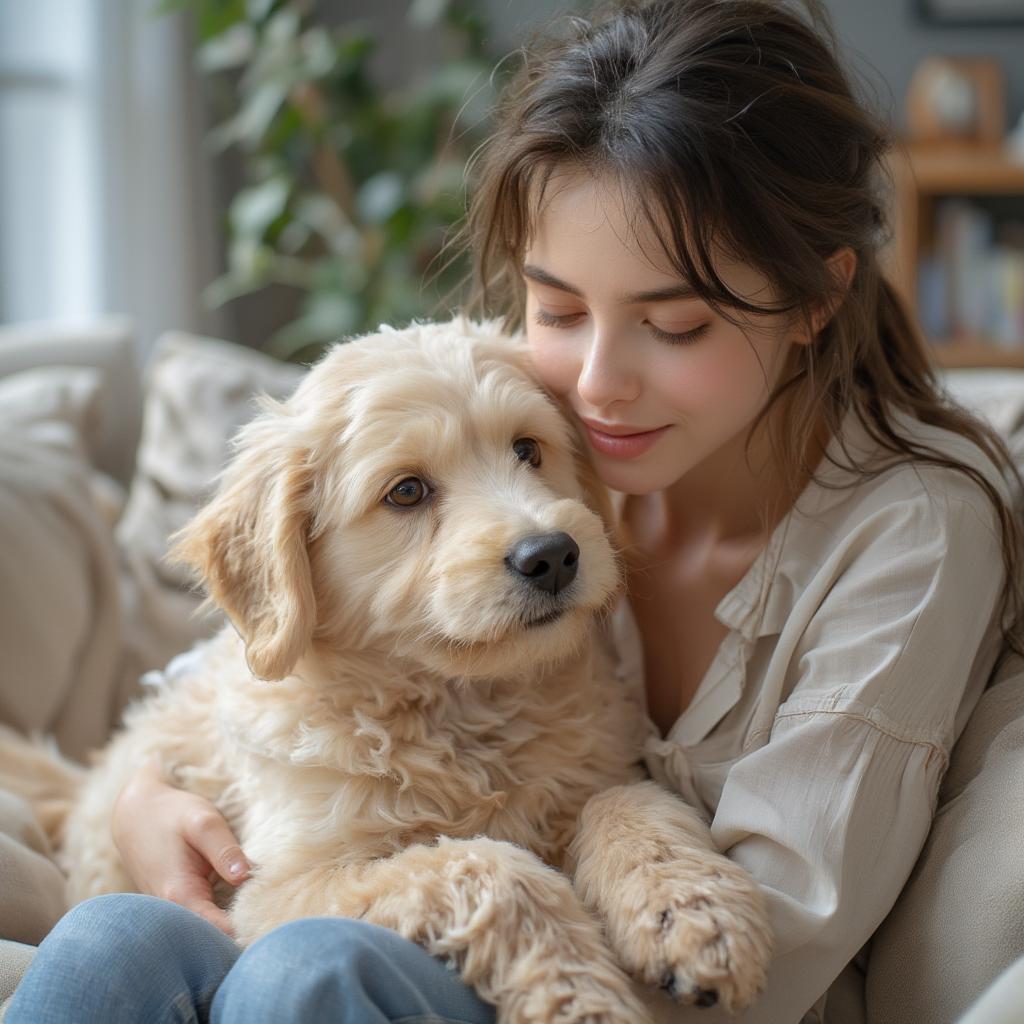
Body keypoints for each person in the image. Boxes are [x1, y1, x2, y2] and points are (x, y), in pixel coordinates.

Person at [8, 0, 1024, 1021]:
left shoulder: (911, 529)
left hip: (595, 993)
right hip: (363, 894)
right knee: (112, 938)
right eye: (560, 310)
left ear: (814, 300)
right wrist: (141, 794)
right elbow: (259, 652)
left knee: (305, 966)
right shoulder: (562, 425)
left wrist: (550, 879)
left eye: (673, 323)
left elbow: (764, 934)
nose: (597, 382)